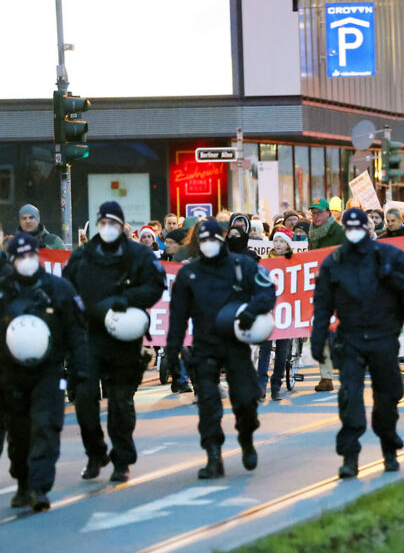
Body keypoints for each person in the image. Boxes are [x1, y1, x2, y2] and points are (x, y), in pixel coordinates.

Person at [311, 208, 404, 477]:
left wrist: (390, 276)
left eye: (358, 228)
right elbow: (323, 304)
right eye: (349, 229)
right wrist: (318, 338)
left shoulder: (387, 255)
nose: (354, 234)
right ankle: (350, 457)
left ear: (368, 229)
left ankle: (388, 450)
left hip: (384, 336)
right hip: (350, 338)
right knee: (349, 397)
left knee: (387, 397)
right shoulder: (334, 261)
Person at [164, 219, 277, 479]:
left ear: (222, 240)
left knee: (246, 400)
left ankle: (246, 438)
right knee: (208, 404)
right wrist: (173, 353)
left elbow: (267, 290)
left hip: (235, 345)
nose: (208, 246)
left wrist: (251, 311)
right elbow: (178, 316)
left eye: (213, 240)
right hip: (204, 347)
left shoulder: (241, 266)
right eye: (203, 241)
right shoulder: (189, 274)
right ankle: (213, 456)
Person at [64, 201, 167, 483]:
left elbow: (156, 285)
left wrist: (128, 300)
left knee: (121, 401)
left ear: (121, 226)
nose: (107, 228)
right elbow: (65, 288)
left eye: (113, 223)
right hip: (89, 336)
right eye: (103, 223)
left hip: (123, 337)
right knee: (84, 397)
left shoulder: (136, 255)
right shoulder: (83, 256)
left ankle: (122, 459)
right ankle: (96, 453)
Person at [1, 233, 88, 510]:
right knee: (19, 431)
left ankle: (39, 487)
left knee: (45, 424)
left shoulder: (58, 289)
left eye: (30, 256)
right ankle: (23, 482)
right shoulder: (3, 291)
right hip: (10, 374)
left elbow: (76, 333)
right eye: (20, 257)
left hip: (49, 370)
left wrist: (81, 371)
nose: (26, 262)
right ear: (12, 261)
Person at [308, 198, 347, 392]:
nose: (315, 216)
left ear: (328, 214)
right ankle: (326, 376)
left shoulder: (338, 232)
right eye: (313, 213)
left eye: (319, 212)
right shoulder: (311, 233)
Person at [256, 229, 296, 401]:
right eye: (276, 241)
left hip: (286, 313)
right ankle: (261, 386)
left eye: (282, 241)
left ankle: (276, 385)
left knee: (282, 351)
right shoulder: (264, 262)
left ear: (288, 244)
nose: (278, 244)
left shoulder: (295, 262)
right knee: (264, 349)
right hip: (268, 311)